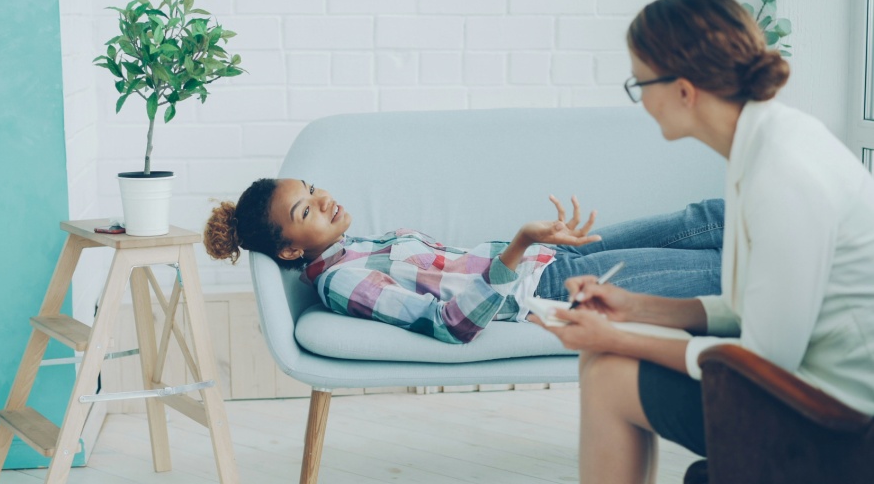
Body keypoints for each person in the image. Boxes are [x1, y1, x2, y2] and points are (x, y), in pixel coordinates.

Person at [532, 0, 874, 484]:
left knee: (608, 374)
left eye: (639, 84)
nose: (641, 101)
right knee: (602, 358)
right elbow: (746, 310)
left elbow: (765, 359)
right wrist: (634, 308)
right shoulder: (762, 143)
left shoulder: (783, 173)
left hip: (837, 420)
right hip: (806, 385)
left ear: (684, 90)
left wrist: (618, 337)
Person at [204, 175, 724, 345]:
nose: (322, 199)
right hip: (547, 285)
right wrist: (518, 246)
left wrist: (533, 245)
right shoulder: (342, 282)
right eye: (305, 210)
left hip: (549, 255)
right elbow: (449, 324)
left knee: (703, 218)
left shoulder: (353, 246)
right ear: (290, 250)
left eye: (312, 188)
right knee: (716, 271)